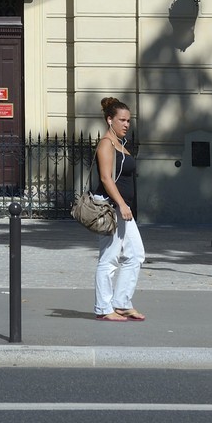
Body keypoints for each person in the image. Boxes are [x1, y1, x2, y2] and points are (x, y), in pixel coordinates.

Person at [93, 96, 146, 322]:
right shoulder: (106, 144)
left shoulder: (120, 144)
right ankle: (104, 308)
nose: (126, 124)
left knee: (135, 254)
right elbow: (106, 178)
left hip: (124, 209)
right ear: (109, 120)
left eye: (128, 121)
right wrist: (122, 203)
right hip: (111, 207)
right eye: (122, 120)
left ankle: (122, 303)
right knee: (109, 257)